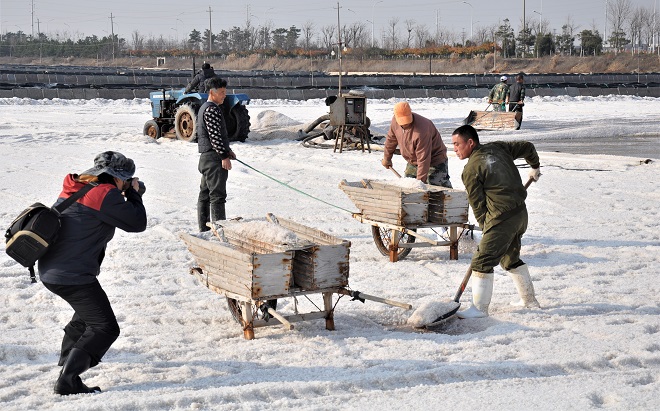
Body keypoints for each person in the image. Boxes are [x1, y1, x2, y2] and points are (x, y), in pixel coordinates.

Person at [38, 151, 147, 395]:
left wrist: (125, 191)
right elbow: (137, 223)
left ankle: (67, 362)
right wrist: (134, 194)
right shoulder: (104, 194)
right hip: (71, 275)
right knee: (105, 327)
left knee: (86, 316)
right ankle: (68, 380)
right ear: (117, 178)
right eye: (125, 179)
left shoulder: (79, 186)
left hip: (51, 268)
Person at [451, 125, 541, 318]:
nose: (455, 149)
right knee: (510, 259)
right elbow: (527, 147)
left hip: (501, 219)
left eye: (457, 144)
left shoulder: (471, 170)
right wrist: (535, 166)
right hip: (520, 214)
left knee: (482, 260)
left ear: (470, 142)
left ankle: (479, 309)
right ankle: (529, 301)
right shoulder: (498, 148)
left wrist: (488, 231)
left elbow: (479, 206)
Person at [196, 76, 236, 232]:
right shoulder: (211, 109)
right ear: (212, 93)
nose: (224, 95)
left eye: (225, 92)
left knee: (205, 194)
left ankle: (204, 229)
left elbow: (216, 136)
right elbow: (215, 137)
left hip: (207, 158)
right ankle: (219, 231)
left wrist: (228, 151)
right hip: (213, 159)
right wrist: (224, 156)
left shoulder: (205, 107)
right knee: (217, 196)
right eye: (221, 92)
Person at [381, 101, 452, 188]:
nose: (405, 124)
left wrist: (419, 184)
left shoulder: (423, 129)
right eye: (402, 122)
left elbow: (423, 159)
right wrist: (387, 158)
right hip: (413, 161)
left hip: (434, 161)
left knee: (437, 190)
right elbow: (391, 140)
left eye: (407, 120)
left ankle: (454, 199)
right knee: (408, 187)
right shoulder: (395, 121)